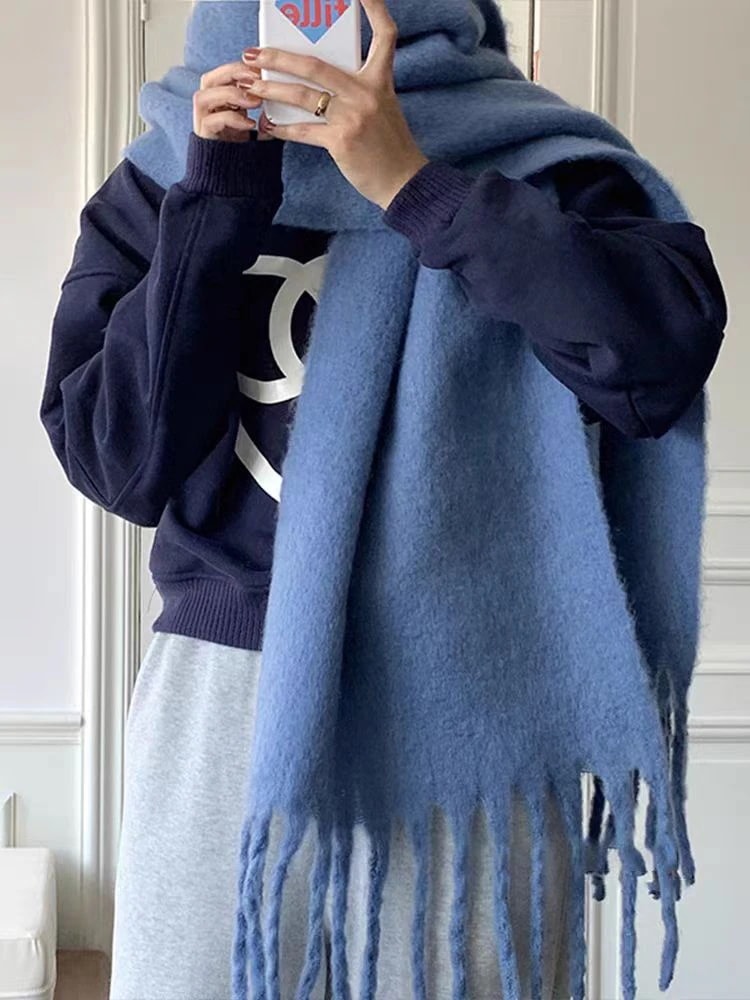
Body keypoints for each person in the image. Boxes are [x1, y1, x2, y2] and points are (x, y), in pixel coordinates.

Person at [40, 0, 727, 997]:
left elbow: (657, 362)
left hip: (475, 693)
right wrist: (216, 201)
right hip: (223, 694)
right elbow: (118, 462)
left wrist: (416, 184)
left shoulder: (544, 160)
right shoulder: (164, 172)